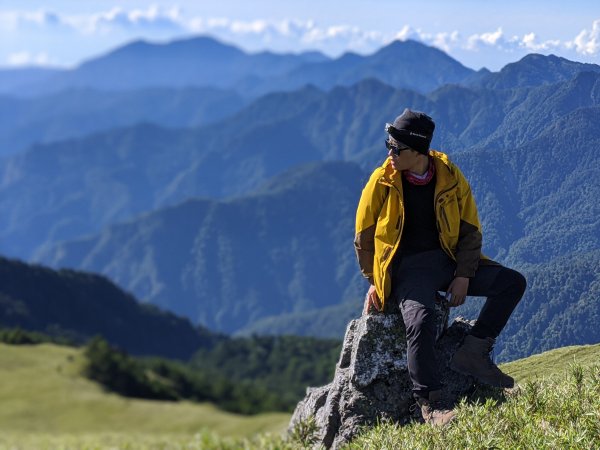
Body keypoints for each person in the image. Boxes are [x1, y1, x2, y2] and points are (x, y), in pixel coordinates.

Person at [354, 108, 527, 426]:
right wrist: (377, 281)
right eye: (388, 145)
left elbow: (470, 231)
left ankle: (473, 353)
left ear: (418, 151)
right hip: (409, 268)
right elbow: (363, 237)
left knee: (512, 283)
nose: (390, 154)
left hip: (447, 259)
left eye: (397, 148)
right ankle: (431, 402)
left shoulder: (449, 176)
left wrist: (463, 275)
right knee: (421, 322)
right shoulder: (383, 181)